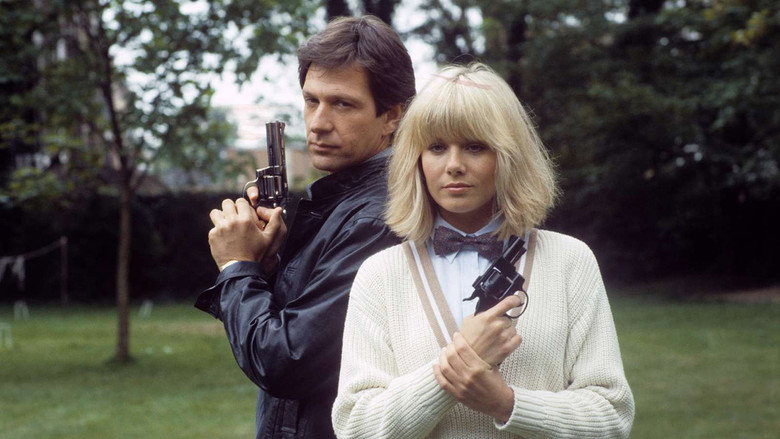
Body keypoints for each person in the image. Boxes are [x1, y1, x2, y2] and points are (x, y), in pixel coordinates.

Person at [332, 63, 635, 438]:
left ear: (509, 155)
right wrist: (455, 371)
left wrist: (506, 403)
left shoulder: (570, 261)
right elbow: (355, 427)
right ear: (417, 160)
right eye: (437, 147)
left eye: (474, 146)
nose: (454, 165)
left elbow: (612, 418)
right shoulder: (380, 275)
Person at [195, 15, 415, 439]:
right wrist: (268, 265)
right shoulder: (346, 202)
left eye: (342, 104)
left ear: (391, 116)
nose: (317, 122)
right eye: (311, 100)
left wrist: (236, 267)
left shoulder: (376, 220)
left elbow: (286, 361)